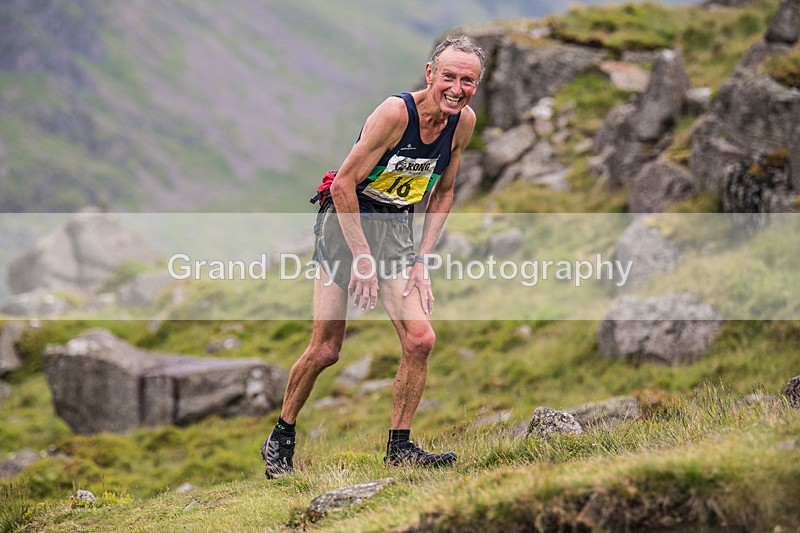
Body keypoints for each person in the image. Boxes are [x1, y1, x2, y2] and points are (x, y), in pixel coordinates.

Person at [261, 36, 485, 478]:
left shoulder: (463, 124)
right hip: (346, 224)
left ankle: (399, 447)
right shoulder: (394, 113)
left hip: (395, 229)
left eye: (468, 80)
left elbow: (443, 193)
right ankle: (281, 438)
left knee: (420, 339)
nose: (457, 89)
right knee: (327, 349)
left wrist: (422, 259)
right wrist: (362, 257)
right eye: (449, 77)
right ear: (429, 74)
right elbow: (343, 184)